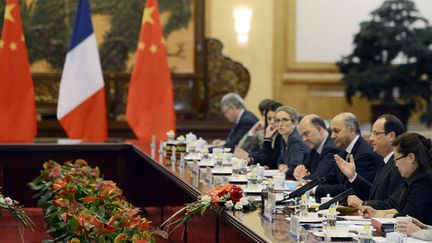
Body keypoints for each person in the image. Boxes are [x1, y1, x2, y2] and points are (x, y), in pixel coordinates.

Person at [359, 133, 432, 225]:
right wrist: (375, 212)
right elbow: (399, 209)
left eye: (396, 159)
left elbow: (407, 217)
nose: (395, 165)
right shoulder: (413, 178)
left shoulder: (423, 180)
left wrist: (380, 215)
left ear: (411, 158)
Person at [335, 114, 405, 209]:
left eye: (375, 134)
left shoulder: (400, 164)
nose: (370, 139)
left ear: (391, 136)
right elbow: (373, 195)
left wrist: (363, 204)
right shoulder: (385, 161)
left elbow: (393, 204)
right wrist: (353, 176)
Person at [315, 112, 382, 198]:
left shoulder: (365, 154)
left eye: (336, 131)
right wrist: (310, 184)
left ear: (352, 130)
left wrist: (316, 189)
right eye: (331, 132)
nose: (332, 136)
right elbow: (331, 178)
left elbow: (349, 189)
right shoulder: (343, 152)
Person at [260, 106, 309, 179]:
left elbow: (295, 169)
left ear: (294, 122)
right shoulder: (284, 138)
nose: (280, 124)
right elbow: (279, 162)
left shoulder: (295, 139)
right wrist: (283, 167)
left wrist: (286, 169)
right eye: (277, 120)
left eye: (285, 120)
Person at [294, 114, 340, 181]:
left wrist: (303, 177)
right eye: (302, 136)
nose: (304, 139)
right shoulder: (315, 146)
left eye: (306, 134)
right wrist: (299, 170)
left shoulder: (331, 148)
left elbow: (318, 179)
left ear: (319, 129)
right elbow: (305, 168)